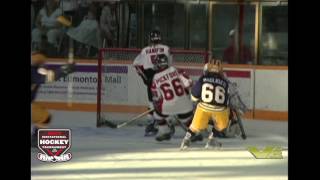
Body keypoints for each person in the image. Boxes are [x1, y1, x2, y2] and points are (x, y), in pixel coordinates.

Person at [180, 59, 230, 150]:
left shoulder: (203, 78)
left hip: (203, 108)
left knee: (195, 126)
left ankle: (186, 139)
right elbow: (226, 101)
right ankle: (212, 139)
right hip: (220, 110)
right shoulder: (225, 82)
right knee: (221, 125)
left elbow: (194, 96)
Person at [31, 51, 75, 147]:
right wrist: (63, 70)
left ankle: (36, 137)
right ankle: (35, 138)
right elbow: (46, 77)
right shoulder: (33, 71)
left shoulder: (36, 70)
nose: (43, 65)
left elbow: (45, 75)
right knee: (44, 116)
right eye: (41, 63)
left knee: (42, 115)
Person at [133, 30, 171, 136]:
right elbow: (169, 64)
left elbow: (136, 64)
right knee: (164, 101)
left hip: (151, 79)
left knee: (152, 103)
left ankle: (151, 125)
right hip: (163, 78)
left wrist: (145, 78)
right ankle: (164, 124)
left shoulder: (145, 50)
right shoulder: (166, 48)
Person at [150, 54, 196, 141]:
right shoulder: (175, 70)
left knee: (157, 115)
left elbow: (157, 97)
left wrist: (157, 106)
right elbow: (189, 83)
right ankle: (194, 132)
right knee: (185, 118)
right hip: (185, 105)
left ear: (158, 64)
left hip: (168, 107)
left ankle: (165, 132)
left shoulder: (155, 78)